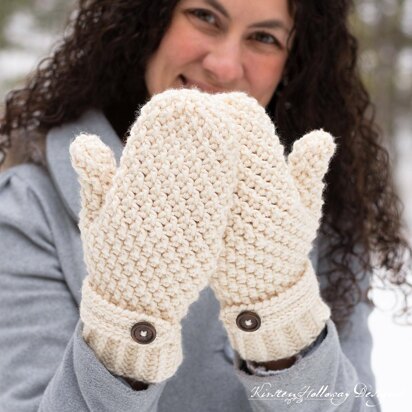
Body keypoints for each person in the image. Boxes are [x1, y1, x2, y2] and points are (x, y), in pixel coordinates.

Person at [0, 0, 410, 411]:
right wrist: (128, 321)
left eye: (264, 38)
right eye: (205, 17)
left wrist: (280, 322)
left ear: (295, 63)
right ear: (149, 20)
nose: (224, 65)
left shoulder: (320, 208)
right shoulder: (30, 203)